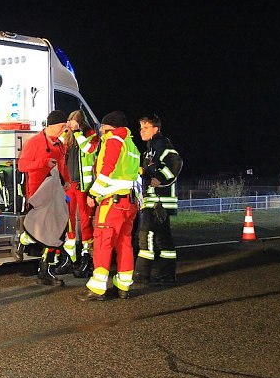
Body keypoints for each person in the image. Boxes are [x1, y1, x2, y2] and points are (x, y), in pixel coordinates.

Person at [78, 111, 140, 301]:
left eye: (102, 127)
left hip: (112, 202)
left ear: (107, 127)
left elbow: (106, 170)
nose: (100, 131)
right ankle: (123, 287)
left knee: (103, 243)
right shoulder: (131, 144)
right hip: (129, 202)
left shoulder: (113, 140)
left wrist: (93, 193)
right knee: (124, 243)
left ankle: (97, 289)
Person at [13, 109, 70, 285]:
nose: (63, 130)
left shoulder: (59, 145)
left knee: (56, 231)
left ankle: (45, 270)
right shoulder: (35, 142)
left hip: (56, 192)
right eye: (61, 127)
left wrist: (66, 180)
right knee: (47, 230)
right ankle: (25, 241)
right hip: (39, 193)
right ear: (51, 125)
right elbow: (22, 165)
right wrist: (43, 163)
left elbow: (62, 166)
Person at [135, 114, 184, 284]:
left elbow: (175, 162)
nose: (142, 131)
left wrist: (161, 178)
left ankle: (145, 273)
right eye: (141, 128)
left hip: (160, 201)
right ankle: (161, 273)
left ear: (156, 129)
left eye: (146, 127)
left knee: (149, 235)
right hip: (152, 200)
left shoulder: (162, 145)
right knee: (158, 237)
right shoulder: (150, 149)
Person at [52, 110, 99, 278]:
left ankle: (88, 258)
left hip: (84, 185)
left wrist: (78, 131)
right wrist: (65, 131)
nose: (71, 124)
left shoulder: (90, 134)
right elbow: (57, 144)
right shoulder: (69, 136)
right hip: (69, 184)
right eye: (69, 121)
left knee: (85, 221)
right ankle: (70, 258)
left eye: (73, 121)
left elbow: (88, 149)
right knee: (69, 221)